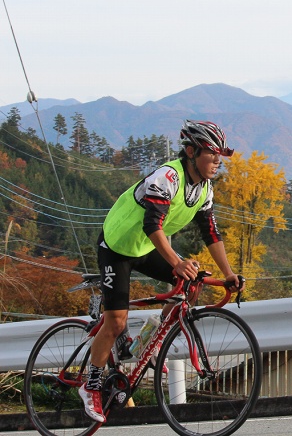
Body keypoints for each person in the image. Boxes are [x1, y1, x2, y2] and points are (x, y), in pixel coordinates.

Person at [78, 120, 243, 423]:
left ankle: (148, 344)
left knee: (192, 283)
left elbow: (211, 233)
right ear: (191, 151)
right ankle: (90, 385)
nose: (217, 162)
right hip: (116, 247)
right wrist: (176, 262)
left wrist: (229, 273)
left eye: (220, 156)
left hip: (144, 248)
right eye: (212, 154)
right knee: (115, 322)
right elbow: (151, 224)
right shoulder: (167, 177)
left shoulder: (204, 188)